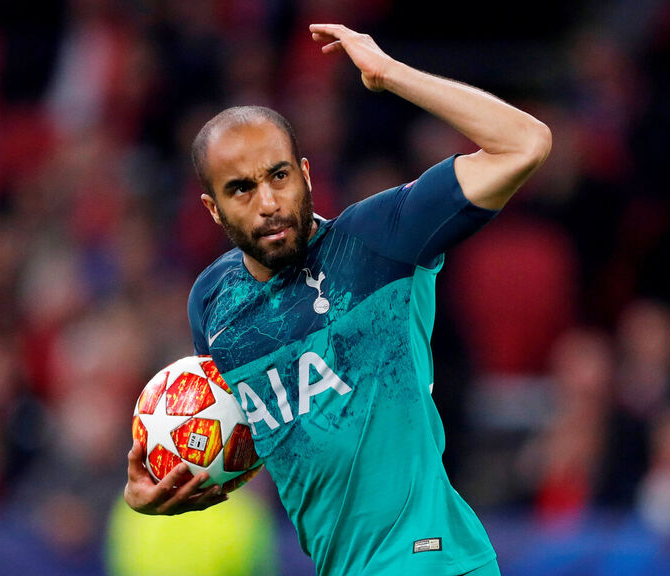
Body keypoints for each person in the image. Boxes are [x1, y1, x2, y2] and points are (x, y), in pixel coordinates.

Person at [124, 23, 551, 576]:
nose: (268, 202)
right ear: (212, 209)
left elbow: (526, 142)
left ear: (305, 174)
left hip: (436, 561)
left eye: (279, 176)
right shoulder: (212, 305)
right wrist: (165, 481)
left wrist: (391, 73)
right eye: (242, 189)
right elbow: (255, 441)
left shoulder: (380, 240)